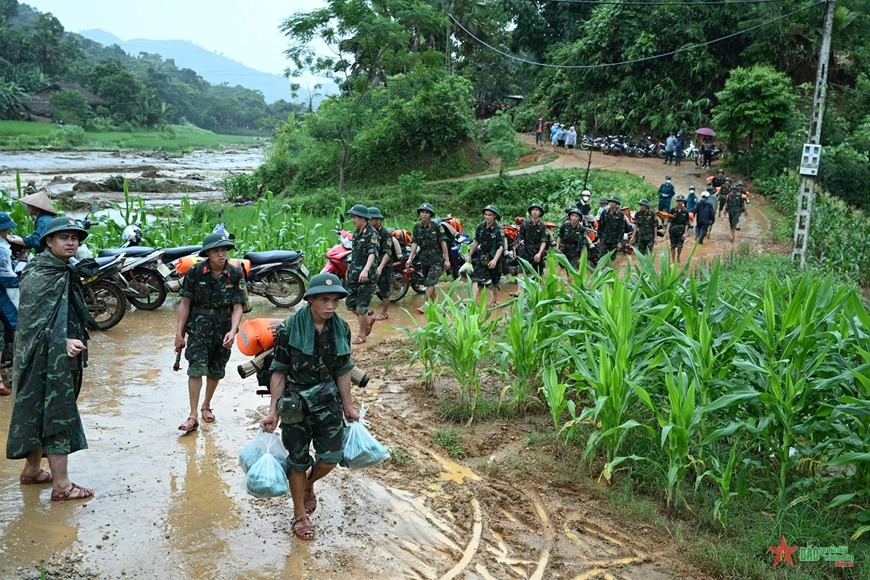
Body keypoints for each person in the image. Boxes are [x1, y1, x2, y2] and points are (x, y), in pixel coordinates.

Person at [259, 273, 360, 541]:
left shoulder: (341, 328)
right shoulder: (289, 329)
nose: (330, 306)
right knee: (298, 460)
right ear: (311, 299)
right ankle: (300, 515)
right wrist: (273, 410)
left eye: (335, 300)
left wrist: (348, 406)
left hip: (327, 401)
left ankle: (308, 485)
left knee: (330, 458)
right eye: (324, 300)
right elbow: (278, 370)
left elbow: (343, 369)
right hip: (296, 403)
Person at [6, 217, 99, 501]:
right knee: (58, 415)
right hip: (44, 357)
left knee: (36, 414)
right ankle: (62, 486)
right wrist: (62, 340)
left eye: (75, 238)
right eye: (64, 237)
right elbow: (32, 323)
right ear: (48, 241)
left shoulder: (62, 269)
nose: (71, 242)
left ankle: (32, 471)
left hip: (58, 353)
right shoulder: (39, 274)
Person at [175, 233, 245, 432]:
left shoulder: (235, 274)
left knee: (216, 369)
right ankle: (193, 415)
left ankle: (206, 406)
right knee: (196, 368)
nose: (221, 254)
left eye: (224, 250)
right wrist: (179, 333)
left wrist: (233, 331)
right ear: (208, 253)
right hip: (198, 328)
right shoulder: (195, 272)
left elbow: (238, 306)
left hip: (223, 328)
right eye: (216, 250)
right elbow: (185, 302)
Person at [405, 203, 450, 315]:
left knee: (430, 283)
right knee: (429, 284)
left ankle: (425, 305)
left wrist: (447, 259)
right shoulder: (417, 227)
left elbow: (443, 242)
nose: (424, 214)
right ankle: (437, 308)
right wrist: (410, 258)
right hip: (424, 258)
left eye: (426, 212)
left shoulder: (436, 226)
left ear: (430, 214)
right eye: (422, 212)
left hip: (436, 257)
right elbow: (415, 243)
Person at [345, 204, 379, 343]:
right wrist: (349, 268)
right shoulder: (357, 233)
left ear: (363, 218)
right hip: (354, 274)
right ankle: (368, 320)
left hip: (367, 277)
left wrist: (365, 270)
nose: (352, 220)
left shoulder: (372, 234)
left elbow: (373, 253)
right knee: (350, 304)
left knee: (361, 307)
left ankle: (361, 334)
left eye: (354, 217)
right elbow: (355, 254)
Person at [466, 205, 505, 307]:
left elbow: (501, 246)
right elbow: (476, 241)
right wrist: (469, 255)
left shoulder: (498, 229)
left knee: (495, 281)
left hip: (495, 257)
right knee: (476, 278)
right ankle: (472, 302)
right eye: (486, 214)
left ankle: (495, 301)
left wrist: (495, 260)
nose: (487, 217)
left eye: (490, 215)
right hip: (482, 257)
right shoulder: (480, 227)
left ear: (494, 216)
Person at [509, 202, 548, 297]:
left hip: (537, 250)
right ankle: (519, 291)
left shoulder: (542, 226)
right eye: (533, 210)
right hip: (525, 250)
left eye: (537, 210)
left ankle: (537, 291)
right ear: (530, 212)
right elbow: (519, 237)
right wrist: (516, 248)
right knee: (521, 270)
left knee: (538, 271)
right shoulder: (525, 224)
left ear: (540, 213)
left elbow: (544, 241)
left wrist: (539, 253)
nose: (535, 212)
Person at [0, 212, 20, 382]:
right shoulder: (1, 249)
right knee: (15, 324)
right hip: (2, 294)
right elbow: (6, 276)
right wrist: (19, 282)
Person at [368, 207, 395, 322]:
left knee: (385, 290)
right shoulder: (368, 231)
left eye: (372, 219)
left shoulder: (384, 233)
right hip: (371, 264)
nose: (369, 221)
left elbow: (388, 252)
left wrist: (380, 267)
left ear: (377, 220)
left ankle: (384, 313)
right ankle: (367, 309)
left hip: (383, 265)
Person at [556, 206, 585, 271]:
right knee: (565, 267)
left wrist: (582, 257)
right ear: (570, 216)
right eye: (572, 215)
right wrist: (557, 247)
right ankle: (567, 280)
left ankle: (571, 280)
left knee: (573, 270)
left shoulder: (581, 229)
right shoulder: (564, 226)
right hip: (565, 250)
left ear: (579, 218)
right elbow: (560, 236)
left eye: (576, 216)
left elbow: (583, 244)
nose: (574, 218)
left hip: (575, 252)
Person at [668, 195, 691, 264]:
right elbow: (669, 221)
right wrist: (667, 232)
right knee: (672, 246)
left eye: (681, 201)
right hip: (673, 231)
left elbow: (687, 222)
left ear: (683, 202)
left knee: (679, 246)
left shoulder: (686, 211)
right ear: (676, 202)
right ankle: (673, 261)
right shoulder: (672, 210)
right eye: (678, 201)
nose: (679, 203)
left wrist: (685, 233)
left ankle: (678, 256)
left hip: (681, 231)